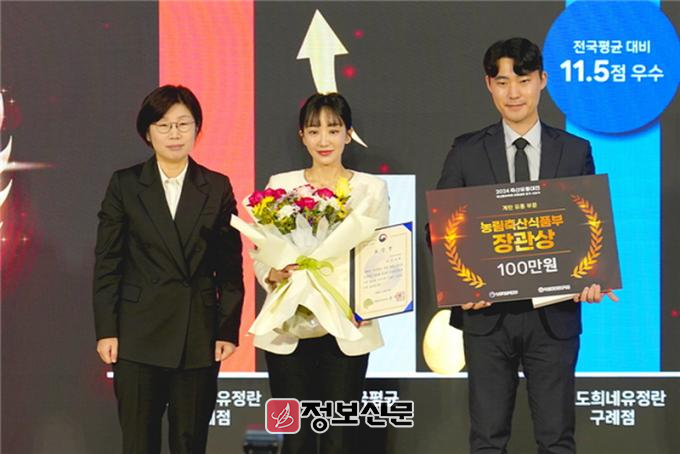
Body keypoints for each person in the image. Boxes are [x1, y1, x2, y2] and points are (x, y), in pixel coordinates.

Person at [435, 38, 618, 453]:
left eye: (523, 80)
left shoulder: (574, 151)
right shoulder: (466, 151)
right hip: (486, 318)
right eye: (502, 82)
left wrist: (592, 277)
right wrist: (461, 286)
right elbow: (441, 229)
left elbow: (587, 226)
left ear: (542, 81)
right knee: (486, 440)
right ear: (489, 85)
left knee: (556, 439)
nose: (513, 92)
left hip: (553, 318)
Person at [93, 85, 244, 454]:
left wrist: (227, 328)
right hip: (136, 334)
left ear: (197, 129)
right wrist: (107, 330)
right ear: (148, 132)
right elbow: (108, 263)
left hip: (197, 334)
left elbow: (230, 267)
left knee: (190, 441)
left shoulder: (216, 186)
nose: (174, 134)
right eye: (163, 125)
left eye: (183, 124)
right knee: (138, 441)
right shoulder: (125, 184)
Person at [252, 93, 389, 454]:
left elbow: (380, 255)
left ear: (348, 134)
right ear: (302, 136)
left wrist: (368, 304)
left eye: (333, 129)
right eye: (314, 131)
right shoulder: (281, 184)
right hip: (288, 328)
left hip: (347, 327)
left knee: (339, 439)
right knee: (293, 438)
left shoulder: (371, 189)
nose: (324, 140)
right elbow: (261, 251)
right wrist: (273, 273)